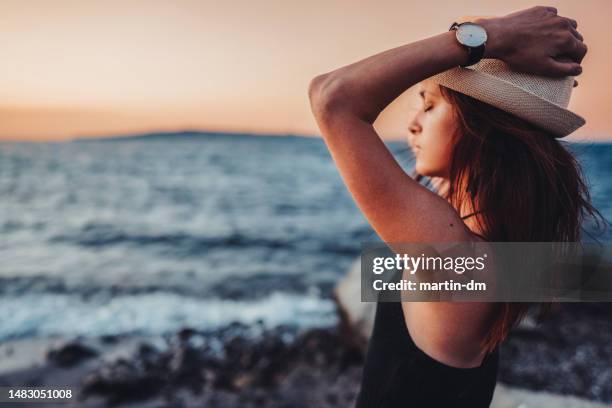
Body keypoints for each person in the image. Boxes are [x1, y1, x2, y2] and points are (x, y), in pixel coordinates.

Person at [308, 5, 604, 407]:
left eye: (429, 105)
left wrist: (488, 36)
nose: (413, 124)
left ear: (480, 124)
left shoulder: (458, 258)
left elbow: (333, 96)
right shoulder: (496, 245)